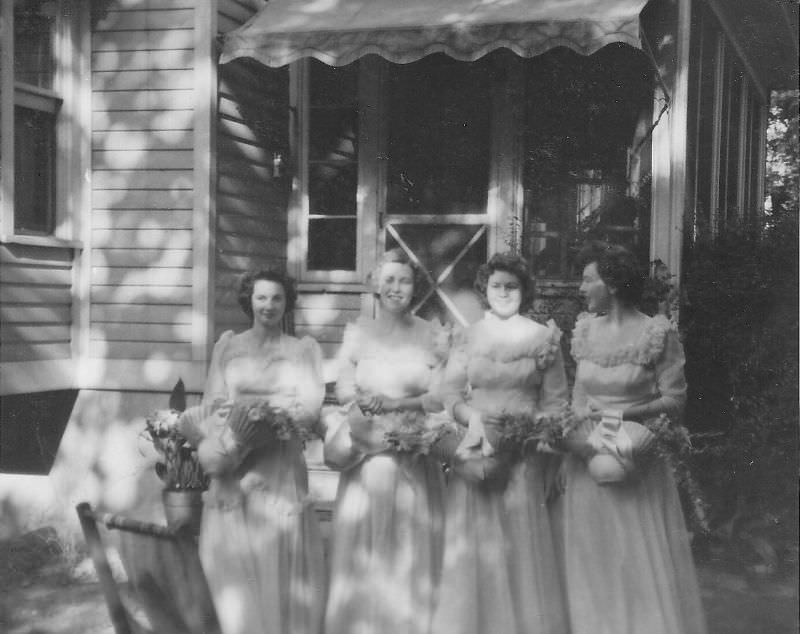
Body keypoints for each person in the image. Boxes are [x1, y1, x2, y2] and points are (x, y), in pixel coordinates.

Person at [558, 242, 707, 634]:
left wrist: (622, 415)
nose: (581, 288)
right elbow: (579, 399)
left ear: (612, 284)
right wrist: (574, 439)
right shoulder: (585, 330)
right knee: (595, 557)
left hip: (635, 452)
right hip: (589, 456)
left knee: (632, 555)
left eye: (587, 279)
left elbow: (675, 401)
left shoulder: (655, 332)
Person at [178, 269, 327, 634]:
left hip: (280, 463)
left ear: (287, 303)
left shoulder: (301, 350)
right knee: (237, 553)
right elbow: (213, 401)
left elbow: (310, 408)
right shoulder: (229, 346)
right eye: (261, 297)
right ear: (250, 301)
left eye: (277, 298)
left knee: (277, 548)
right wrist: (228, 430)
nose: (269, 306)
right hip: (237, 460)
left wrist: (277, 417)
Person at [432, 252, 570, 634]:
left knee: (519, 542)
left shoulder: (542, 338)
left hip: (524, 454)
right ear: (485, 289)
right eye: (497, 286)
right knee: (475, 543)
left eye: (512, 286)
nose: (504, 292)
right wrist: (472, 418)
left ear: (525, 291)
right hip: (477, 450)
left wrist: (537, 441)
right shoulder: (469, 336)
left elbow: (556, 403)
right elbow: (450, 393)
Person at [322, 248, 449, 634]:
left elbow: (439, 397)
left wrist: (399, 407)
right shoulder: (359, 332)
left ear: (415, 287)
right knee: (369, 546)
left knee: (410, 547)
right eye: (389, 279)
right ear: (375, 284)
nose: (396, 288)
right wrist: (363, 404)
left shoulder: (430, 334)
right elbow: (344, 387)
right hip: (368, 458)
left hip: (414, 453)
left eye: (404, 281)